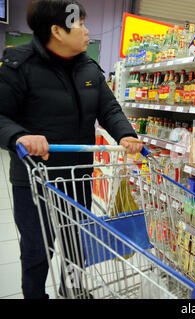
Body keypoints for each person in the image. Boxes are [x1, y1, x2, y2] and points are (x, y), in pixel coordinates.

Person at [0, 0, 143, 299]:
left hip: (77, 175)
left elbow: (109, 109)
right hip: (34, 178)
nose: (87, 31)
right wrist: (20, 136)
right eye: (81, 24)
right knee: (38, 247)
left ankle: (73, 289)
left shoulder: (88, 66)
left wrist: (126, 135)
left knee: (76, 240)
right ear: (57, 31)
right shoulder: (18, 64)